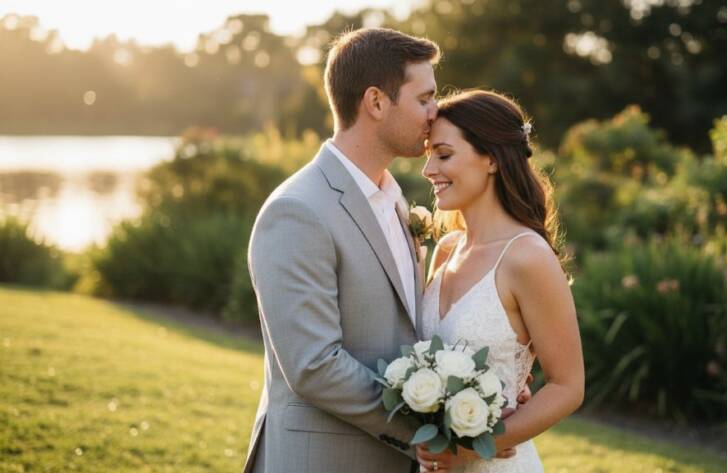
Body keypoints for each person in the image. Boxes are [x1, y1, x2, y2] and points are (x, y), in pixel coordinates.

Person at [242, 29, 524, 473]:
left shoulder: (393, 200)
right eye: (424, 98)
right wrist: (438, 425)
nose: (435, 113)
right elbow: (314, 366)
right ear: (375, 102)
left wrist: (485, 390)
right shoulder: (297, 211)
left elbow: (409, 331)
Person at [416, 90, 585, 473]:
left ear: (491, 158)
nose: (427, 169)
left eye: (443, 154)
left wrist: (476, 447)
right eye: (427, 155)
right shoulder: (445, 250)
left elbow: (567, 387)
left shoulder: (527, 257)